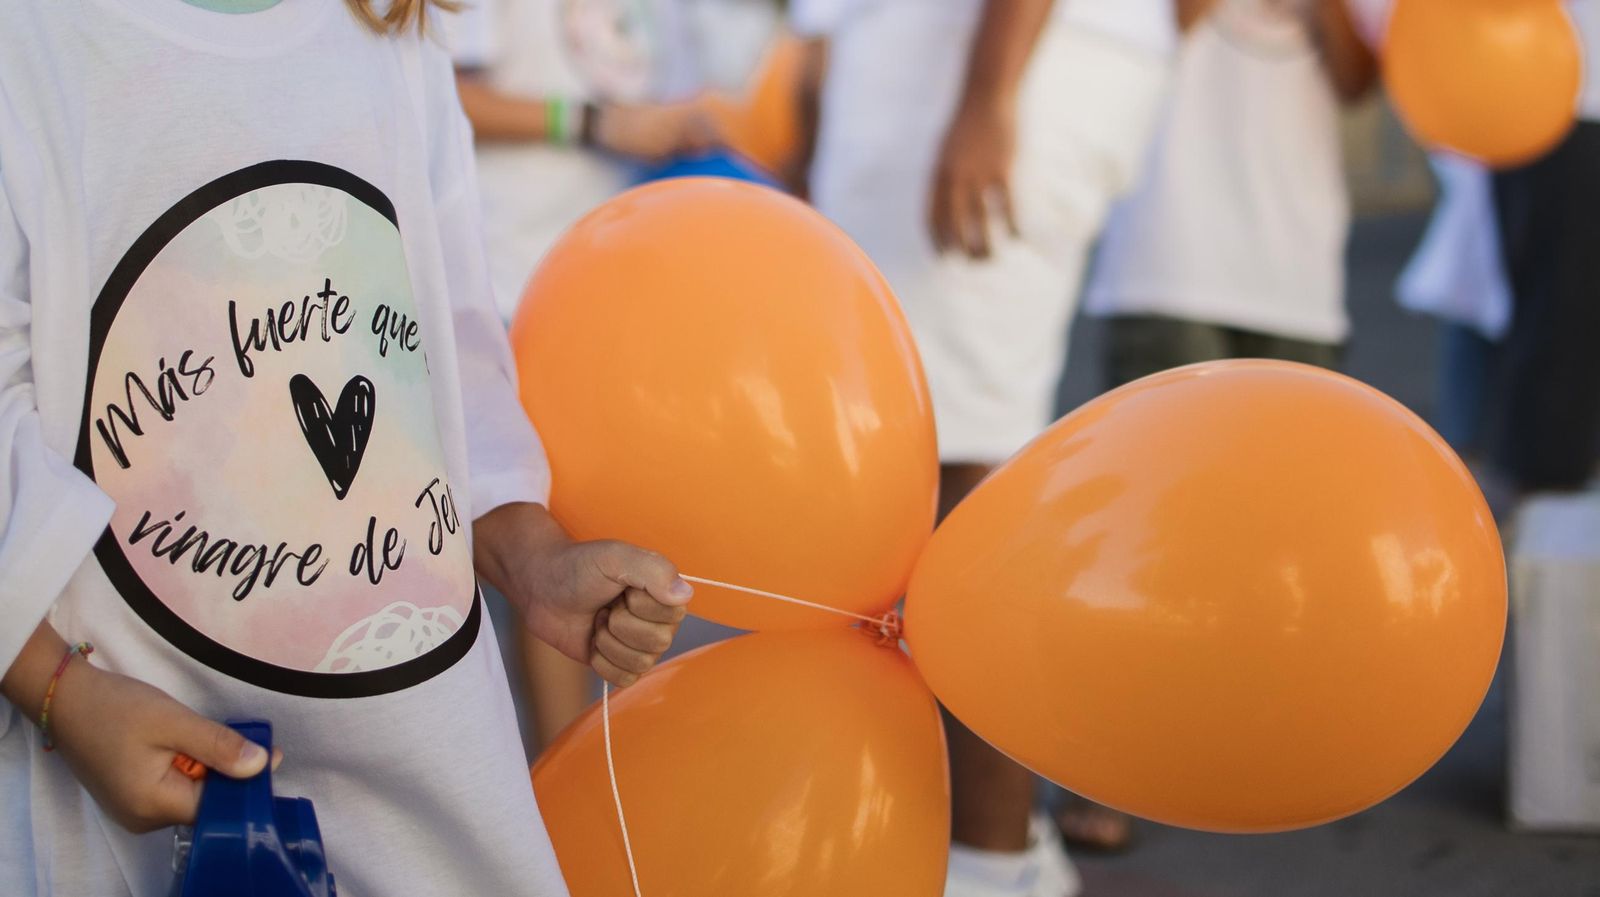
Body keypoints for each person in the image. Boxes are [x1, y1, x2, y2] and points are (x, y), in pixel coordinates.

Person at [0, 2, 691, 895]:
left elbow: (442, 353)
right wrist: (55, 687)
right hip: (131, 766)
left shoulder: (391, 28)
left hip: (428, 774)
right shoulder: (34, 43)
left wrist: (530, 553)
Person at [795, 0, 1181, 893]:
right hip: (966, 60)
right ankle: (981, 846)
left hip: (978, 62)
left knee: (963, 467)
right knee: (928, 453)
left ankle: (989, 860)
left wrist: (985, 99)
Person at [443, 0, 724, 753]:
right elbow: (439, 92)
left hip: (619, 282)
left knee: (605, 536)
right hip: (513, 283)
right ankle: (567, 778)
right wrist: (595, 122)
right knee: (550, 524)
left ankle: (595, 774)